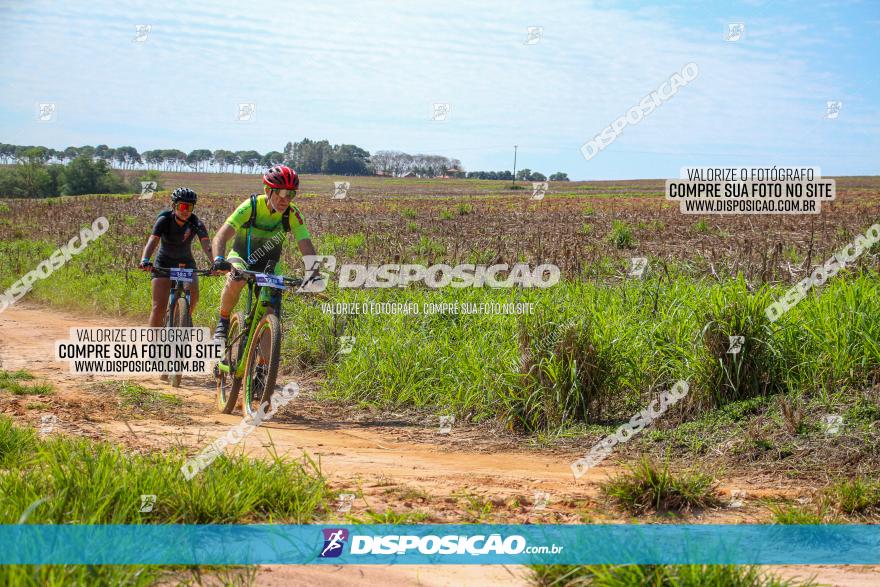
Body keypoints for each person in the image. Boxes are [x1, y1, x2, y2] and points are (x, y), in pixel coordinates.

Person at [210, 165, 319, 340]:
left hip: (270, 265)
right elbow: (221, 236)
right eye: (282, 193)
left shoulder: (292, 214)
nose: (286, 199)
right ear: (268, 190)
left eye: (291, 194)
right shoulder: (251, 206)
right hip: (241, 258)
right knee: (236, 279)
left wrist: (314, 274)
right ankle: (223, 320)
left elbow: (305, 245)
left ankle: (262, 365)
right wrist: (219, 259)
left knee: (272, 312)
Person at [138, 187, 213, 327]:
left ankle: (182, 319)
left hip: (186, 263)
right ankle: (153, 345)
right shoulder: (164, 219)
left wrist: (216, 263)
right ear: (174, 206)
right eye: (182, 206)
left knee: (194, 297)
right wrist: (145, 260)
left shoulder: (196, 223)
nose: (186, 211)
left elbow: (206, 245)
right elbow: (153, 240)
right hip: (163, 263)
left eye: (189, 207)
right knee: (158, 307)